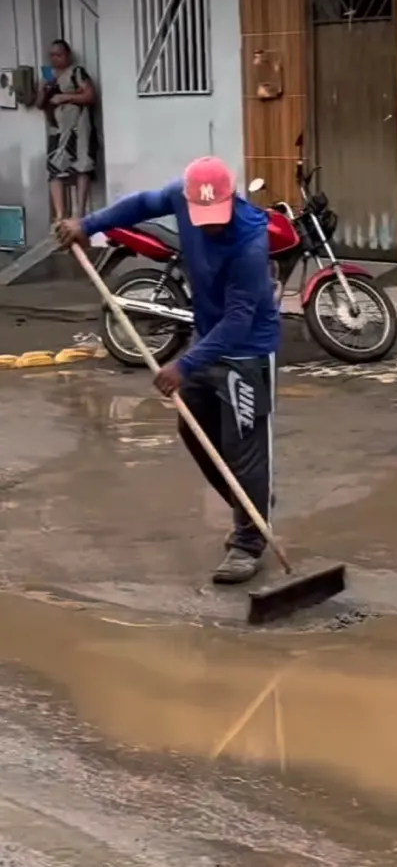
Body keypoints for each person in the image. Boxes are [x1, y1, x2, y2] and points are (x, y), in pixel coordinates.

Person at [55, 156, 281, 586]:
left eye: (216, 218)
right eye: (202, 217)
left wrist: (184, 363)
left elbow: (238, 320)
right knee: (193, 429)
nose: (210, 226)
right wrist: (88, 224)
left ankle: (248, 542)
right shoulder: (181, 195)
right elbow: (141, 204)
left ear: (232, 200)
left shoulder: (250, 242)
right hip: (206, 337)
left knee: (246, 447)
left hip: (247, 350)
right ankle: (250, 504)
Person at [35, 40, 97, 221]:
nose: (55, 59)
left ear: (67, 55)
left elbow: (90, 95)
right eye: (52, 55)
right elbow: (39, 104)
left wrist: (65, 97)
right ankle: (60, 216)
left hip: (78, 128)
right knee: (55, 170)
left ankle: (80, 215)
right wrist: (44, 90)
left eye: (59, 55)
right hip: (57, 129)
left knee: (82, 167)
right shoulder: (47, 75)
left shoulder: (77, 72)